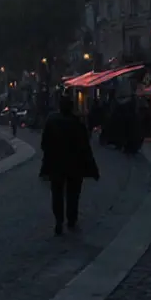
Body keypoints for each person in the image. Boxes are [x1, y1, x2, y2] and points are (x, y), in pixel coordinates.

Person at [40, 96, 100, 235]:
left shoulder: (51, 121)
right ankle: (71, 219)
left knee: (57, 194)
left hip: (56, 164)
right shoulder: (77, 123)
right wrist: (92, 168)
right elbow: (85, 147)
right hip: (75, 165)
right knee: (73, 194)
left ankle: (59, 221)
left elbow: (44, 144)